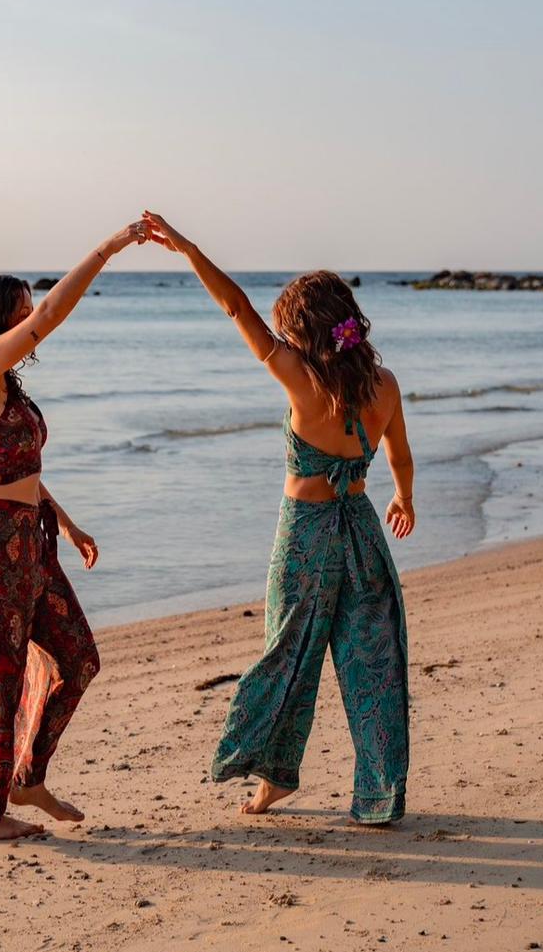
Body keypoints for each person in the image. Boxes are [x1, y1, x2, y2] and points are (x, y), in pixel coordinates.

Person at [143, 212, 415, 825]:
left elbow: (236, 307)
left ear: (304, 330)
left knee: (287, 655)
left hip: (305, 538)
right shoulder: (387, 385)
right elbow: (400, 454)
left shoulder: (298, 378)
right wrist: (403, 498)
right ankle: (380, 793)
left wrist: (187, 247)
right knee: (373, 660)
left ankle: (272, 780)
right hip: (364, 534)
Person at [0, 222, 148, 843]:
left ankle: (27, 779)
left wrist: (69, 522)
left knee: (78, 658)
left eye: (30, 303)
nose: (31, 314)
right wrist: (109, 249)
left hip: (29, 542)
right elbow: (54, 314)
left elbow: (16, 470)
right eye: (21, 307)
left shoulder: (7, 386)